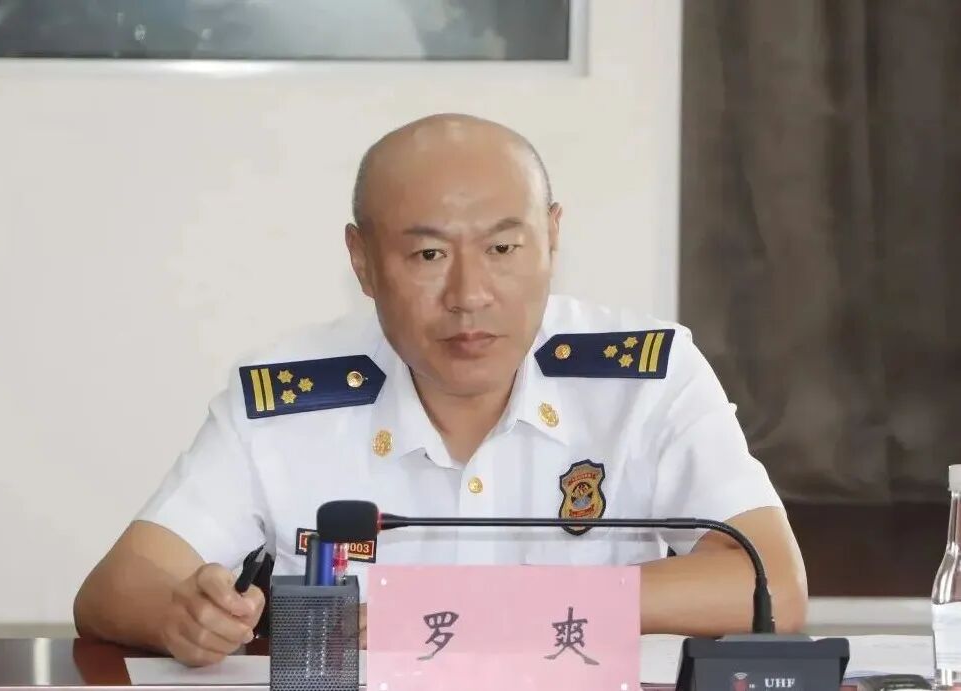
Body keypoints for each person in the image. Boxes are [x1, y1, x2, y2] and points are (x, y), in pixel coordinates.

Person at [73, 113, 808, 667]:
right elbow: (115, 588)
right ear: (362, 261)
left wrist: (494, 607)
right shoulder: (288, 399)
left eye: (503, 248)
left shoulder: (647, 378)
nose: (469, 294)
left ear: (552, 237)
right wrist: (180, 614)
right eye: (428, 254)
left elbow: (770, 584)